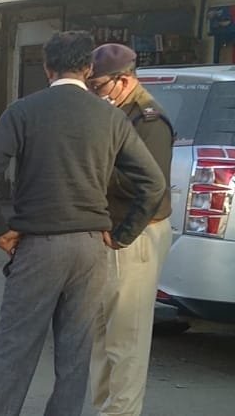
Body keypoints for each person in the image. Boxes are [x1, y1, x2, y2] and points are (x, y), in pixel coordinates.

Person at [0, 31, 166, 416]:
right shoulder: (111, 116)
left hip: (39, 246)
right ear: (88, 68)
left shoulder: (24, 111)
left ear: (48, 68)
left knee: (14, 349)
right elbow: (154, 183)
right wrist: (122, 235)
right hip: (91, 247)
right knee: (75, 357)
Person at [87, 43, 174, 416]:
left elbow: (148, 187)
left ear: (123, 80)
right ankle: (104, 408)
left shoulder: (148, 120)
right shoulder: (116, 113)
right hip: (111, 232)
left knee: (126, 339)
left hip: (134, 234)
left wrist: (123, 237)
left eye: (99, 86)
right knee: (101, 336)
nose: (95, 93)